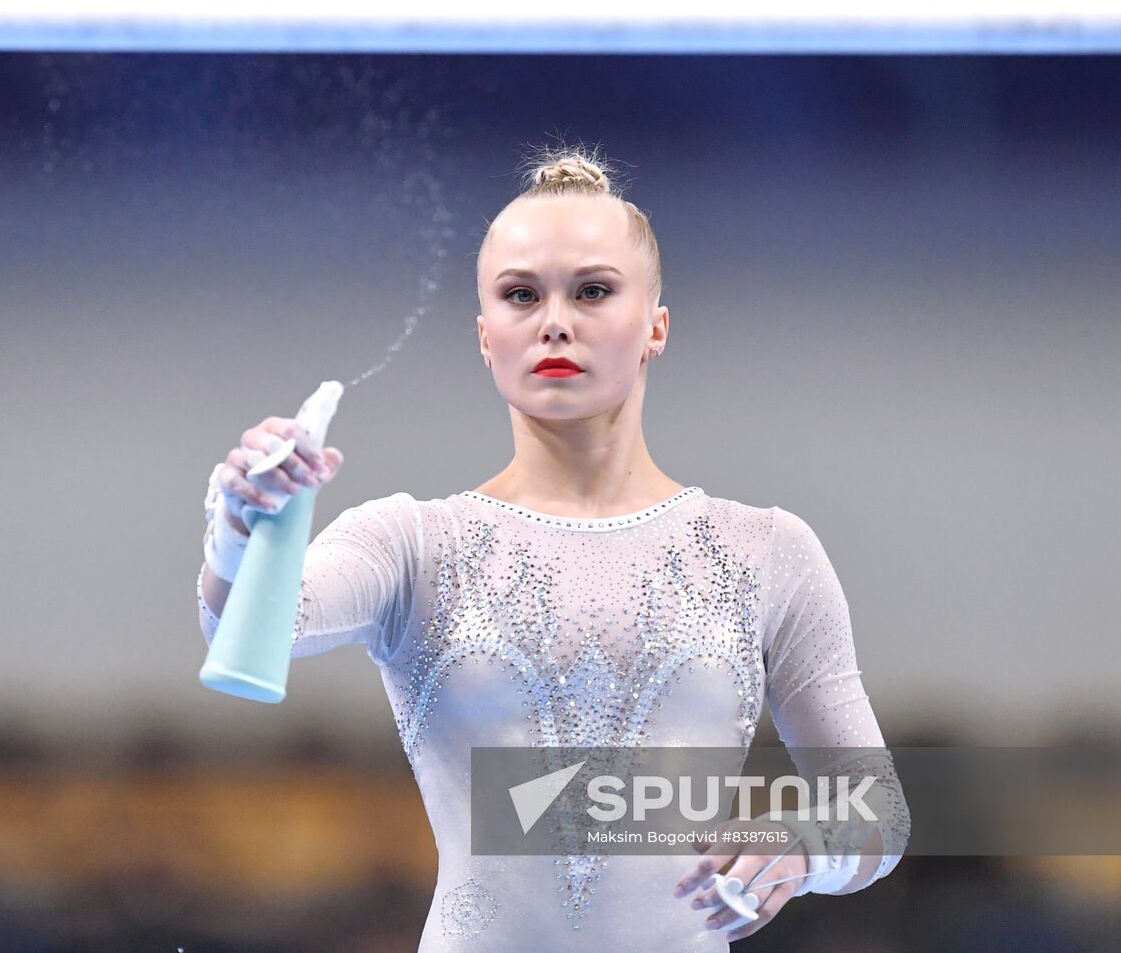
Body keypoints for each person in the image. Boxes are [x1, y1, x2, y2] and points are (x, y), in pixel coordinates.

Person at [197, 145, 909, 950]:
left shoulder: (765, 552)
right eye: (521, 295)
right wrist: (241, 523)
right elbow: (246, 634)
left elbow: (877, 810)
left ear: (656, 326)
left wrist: (809, 846)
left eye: (594, 291)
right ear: (484, 334)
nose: (555, 321)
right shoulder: (412, 545)